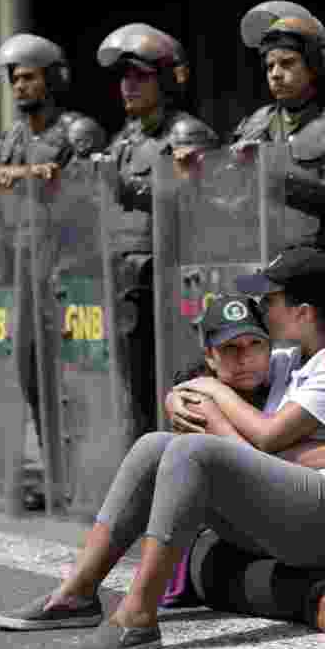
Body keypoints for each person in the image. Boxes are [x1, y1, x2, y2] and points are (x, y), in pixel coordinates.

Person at [0, 247, 325, 649]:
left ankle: (138, 614)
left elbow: (265, 439)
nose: (263, 307)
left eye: (271, 300)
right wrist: (182, 392)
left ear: (303, 311)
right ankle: (77, 592)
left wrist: (206, 391)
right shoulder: (287, 360)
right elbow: (206, 381)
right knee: (154, 446)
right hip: (295, 512)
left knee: (195, 452)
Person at [0, 33, 107, 511]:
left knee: (78, 374)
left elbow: (85, 192)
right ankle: (57, 475)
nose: (19, 86)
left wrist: (24, 177)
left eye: (28, 77)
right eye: (14, 79)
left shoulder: (78, 130)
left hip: (73, 267)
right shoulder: (13, 136)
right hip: (25, 265)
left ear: (53, 78)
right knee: (30, 372)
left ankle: (93, 475)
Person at [95, 23, 219, 440]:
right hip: (126, 277)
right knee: (135, 390)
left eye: (140, 76)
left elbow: (202, 204)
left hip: (170, 278)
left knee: (177, 382)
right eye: (124, 77)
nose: (128, 86)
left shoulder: (185, 132)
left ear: (166, 79)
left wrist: (131, 188)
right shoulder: (122, 141)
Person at [231, 1, 325, 250]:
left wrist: (274, 179)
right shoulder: (254, 126)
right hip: (262, 256)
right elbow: (233, 204)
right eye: (269, 66)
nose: (275, 74)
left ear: (314, 65)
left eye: (287, 63)